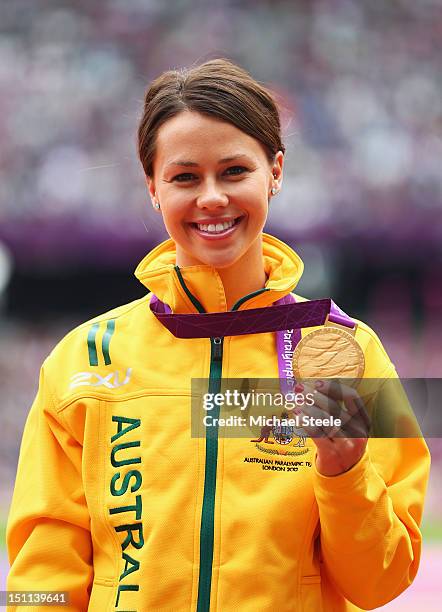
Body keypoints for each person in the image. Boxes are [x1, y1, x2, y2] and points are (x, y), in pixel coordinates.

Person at [6, 58, 430, 611]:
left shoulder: (345, 350)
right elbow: (42, 573)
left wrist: (344, 470)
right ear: (153, 187)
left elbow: (381, 581)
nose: (211, 198)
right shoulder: (83, 359)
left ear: (275, 172)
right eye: (185, 177)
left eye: (234, 171)